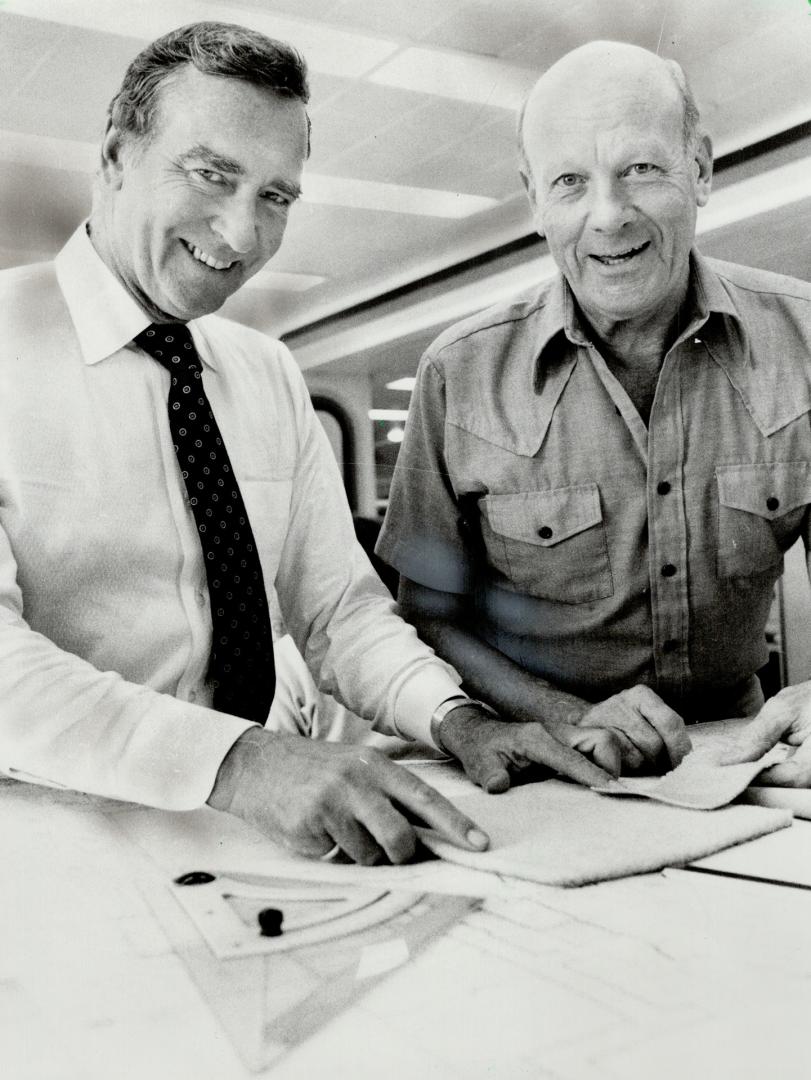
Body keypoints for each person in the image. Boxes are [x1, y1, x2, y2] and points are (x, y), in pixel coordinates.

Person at [0, 21, 632, 868]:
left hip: (248, 839)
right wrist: (239, 759)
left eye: (275, 197)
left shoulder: (264, 373)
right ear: (115, 155)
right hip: (44, 843)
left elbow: (340, 614)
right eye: (211, 172)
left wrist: (461, 722)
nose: (239, 235)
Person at [377, 40, 811, 779]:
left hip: (739, 757)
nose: (608, 215)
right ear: (534, 200)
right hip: (537, 753)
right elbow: (428, 616)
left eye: (640, 170)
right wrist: (561, 715)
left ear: (699, 168)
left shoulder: (803, 341)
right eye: (570, 182)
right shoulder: (458, 373)